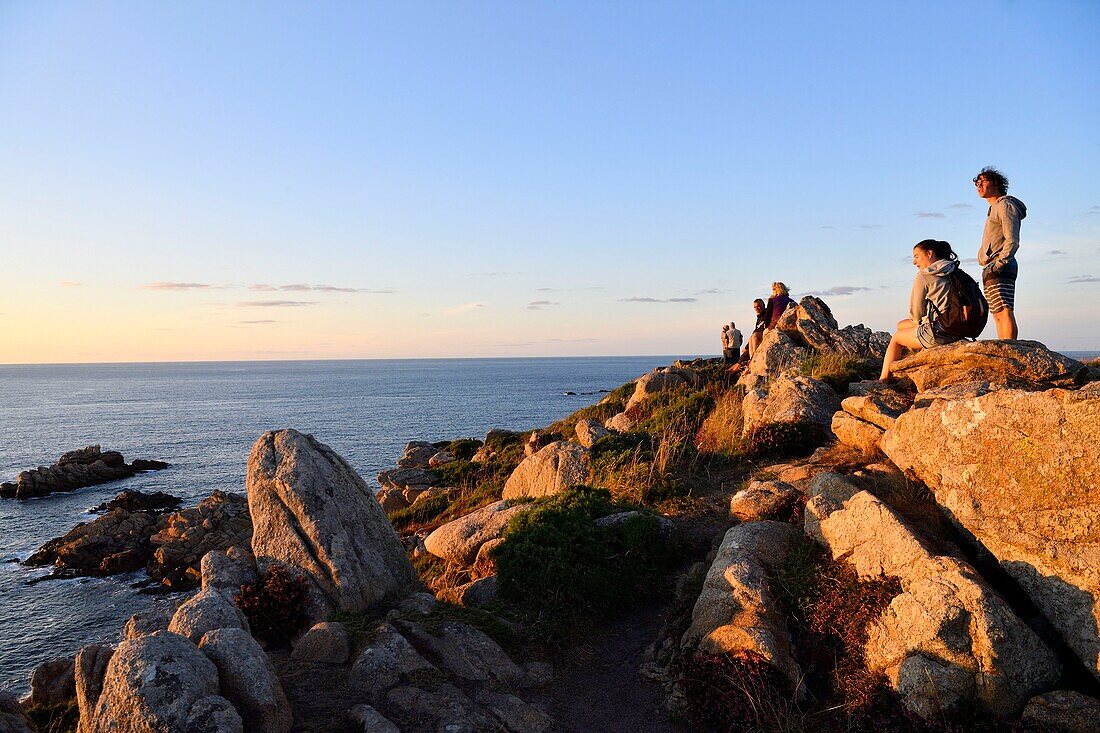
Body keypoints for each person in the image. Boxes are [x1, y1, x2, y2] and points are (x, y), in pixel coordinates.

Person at [879, 239, 965, 382]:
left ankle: (883, 379)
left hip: (940, 333)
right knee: (901, 324)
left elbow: (916, 314)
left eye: (917, 256)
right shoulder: (954, 270)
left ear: (929, 254)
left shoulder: (925, 275)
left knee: (897, 337)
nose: (914, 262)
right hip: (958, 328)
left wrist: (922, 321)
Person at [974, 166, 1026, 339]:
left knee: (1004, 311)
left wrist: (1000, 262)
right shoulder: (993, 208)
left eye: (983, 181)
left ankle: (1011, 350)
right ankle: (1004, 348)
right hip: (991, 266)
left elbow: (1012, 239)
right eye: (977, 182)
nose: (979, 185)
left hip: (1001, 265)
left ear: (996, 184)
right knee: (997, 314)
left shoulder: (1005, 205)